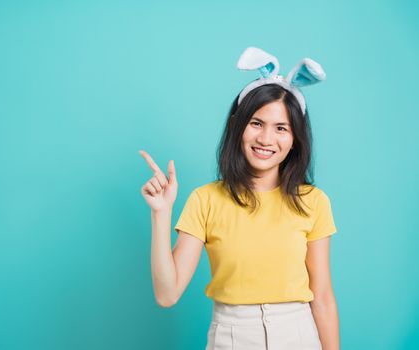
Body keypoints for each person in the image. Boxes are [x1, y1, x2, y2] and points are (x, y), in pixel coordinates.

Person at [139, 47, 340, 350]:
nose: (266, 139)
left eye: (281, 128)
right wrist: (161, 213)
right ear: (237, 124)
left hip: (299, 335)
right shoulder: (205, 200)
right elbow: (167, 295)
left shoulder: (314, 201)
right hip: (231, 337)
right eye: (256, 123)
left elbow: (322, 296)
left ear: (295, 138)